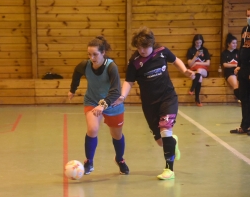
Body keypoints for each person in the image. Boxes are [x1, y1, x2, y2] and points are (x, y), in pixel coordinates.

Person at [112, 26, 195, 180]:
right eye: (139, 47)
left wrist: (184, 71)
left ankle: (169, 169)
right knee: (161, 141)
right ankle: (172, 142)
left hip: (167, 98)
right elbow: (129, 81)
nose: (142, 50)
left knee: (165, 129)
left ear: (151, 44)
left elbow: (175, 60)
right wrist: (123, 96)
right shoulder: (135, 62)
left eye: (145, 47)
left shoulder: (162, 52)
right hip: (150, 105)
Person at [68, 36, 129, 175]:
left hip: (113, 104)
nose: (92, 58)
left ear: (103, 53)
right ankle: (89, 161)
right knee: (93, 128)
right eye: (89, 54)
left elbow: (116, 91)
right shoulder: (85, 65)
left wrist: (103, 105)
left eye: (95, 54)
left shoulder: (111, 67)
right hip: (92, 100)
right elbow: (77, 73)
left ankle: (119, 159)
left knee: (117, 136)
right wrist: (73, 89)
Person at [230, 8, 250, 135]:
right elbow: (242, 50)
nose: (248, 17)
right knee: (244, 98)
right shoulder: (245, 30)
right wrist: (239, 66)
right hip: (244, 69)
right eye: (247, 15)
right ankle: (245, 126)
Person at [187, 34, 211, 107]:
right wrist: (196, 56)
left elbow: (208, 63)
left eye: (200, 42)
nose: (198, 44)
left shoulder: (205, 50)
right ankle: (197, 99)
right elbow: (190, 64)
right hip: (194, 70)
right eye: (197, 42)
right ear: (194, 42)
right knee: (199, 77)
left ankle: (192, 89)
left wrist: (197, 62)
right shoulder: (191, 50)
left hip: (203, 70)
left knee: (200, 70)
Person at [221, 33, 239, 102]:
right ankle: (240, 99)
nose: (235, 45)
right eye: (233, 43)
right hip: (229, 72)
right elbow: (225, 64)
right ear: (228, 44)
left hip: (238, 71)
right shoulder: (224, 53)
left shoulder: (238, 52)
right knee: (235, 85)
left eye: (236, 43)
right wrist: (234, 65)